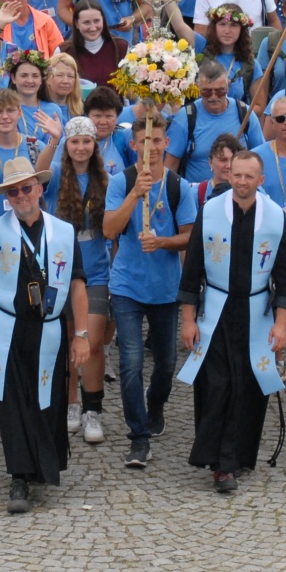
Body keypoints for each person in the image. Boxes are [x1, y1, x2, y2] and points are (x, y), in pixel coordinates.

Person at [0, 156, 87, 513]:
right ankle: (19, 477)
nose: (21, 196)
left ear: (40, 189)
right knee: (11, 401)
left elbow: (77, 284)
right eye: (13, 192)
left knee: (46, 399)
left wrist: (82, 333)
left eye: (26, 188)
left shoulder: (63, 231)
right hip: (8, 327)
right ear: (7, 198)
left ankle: (42, 464)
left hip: (49, 328)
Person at [176, 150, 286, 492]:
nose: (241, 181)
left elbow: (285, 275)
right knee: (218, 385)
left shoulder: (274, 217)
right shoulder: (211, 211)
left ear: (260, 180)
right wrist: (188, 319)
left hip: (257, 313)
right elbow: (192, 267)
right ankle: (220, 464)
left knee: (249, 386)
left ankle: (239, 456)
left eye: (248, 176)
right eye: (236, 175)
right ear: (229, 176)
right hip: (216, 311)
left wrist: (281, 323)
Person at [102, 106, 195, 468]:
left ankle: (155, 404)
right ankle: (138, 437)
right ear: (132, 144)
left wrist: (163, 242)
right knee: (130, 363)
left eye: (156, 141)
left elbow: (189, 237)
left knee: (166, 363)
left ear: (166, 142)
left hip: (165, 288)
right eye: (143, 141)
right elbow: (109, 230)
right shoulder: (121, 182)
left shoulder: (178, 186)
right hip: (127, 285)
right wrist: (134, 194)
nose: (150, 148)